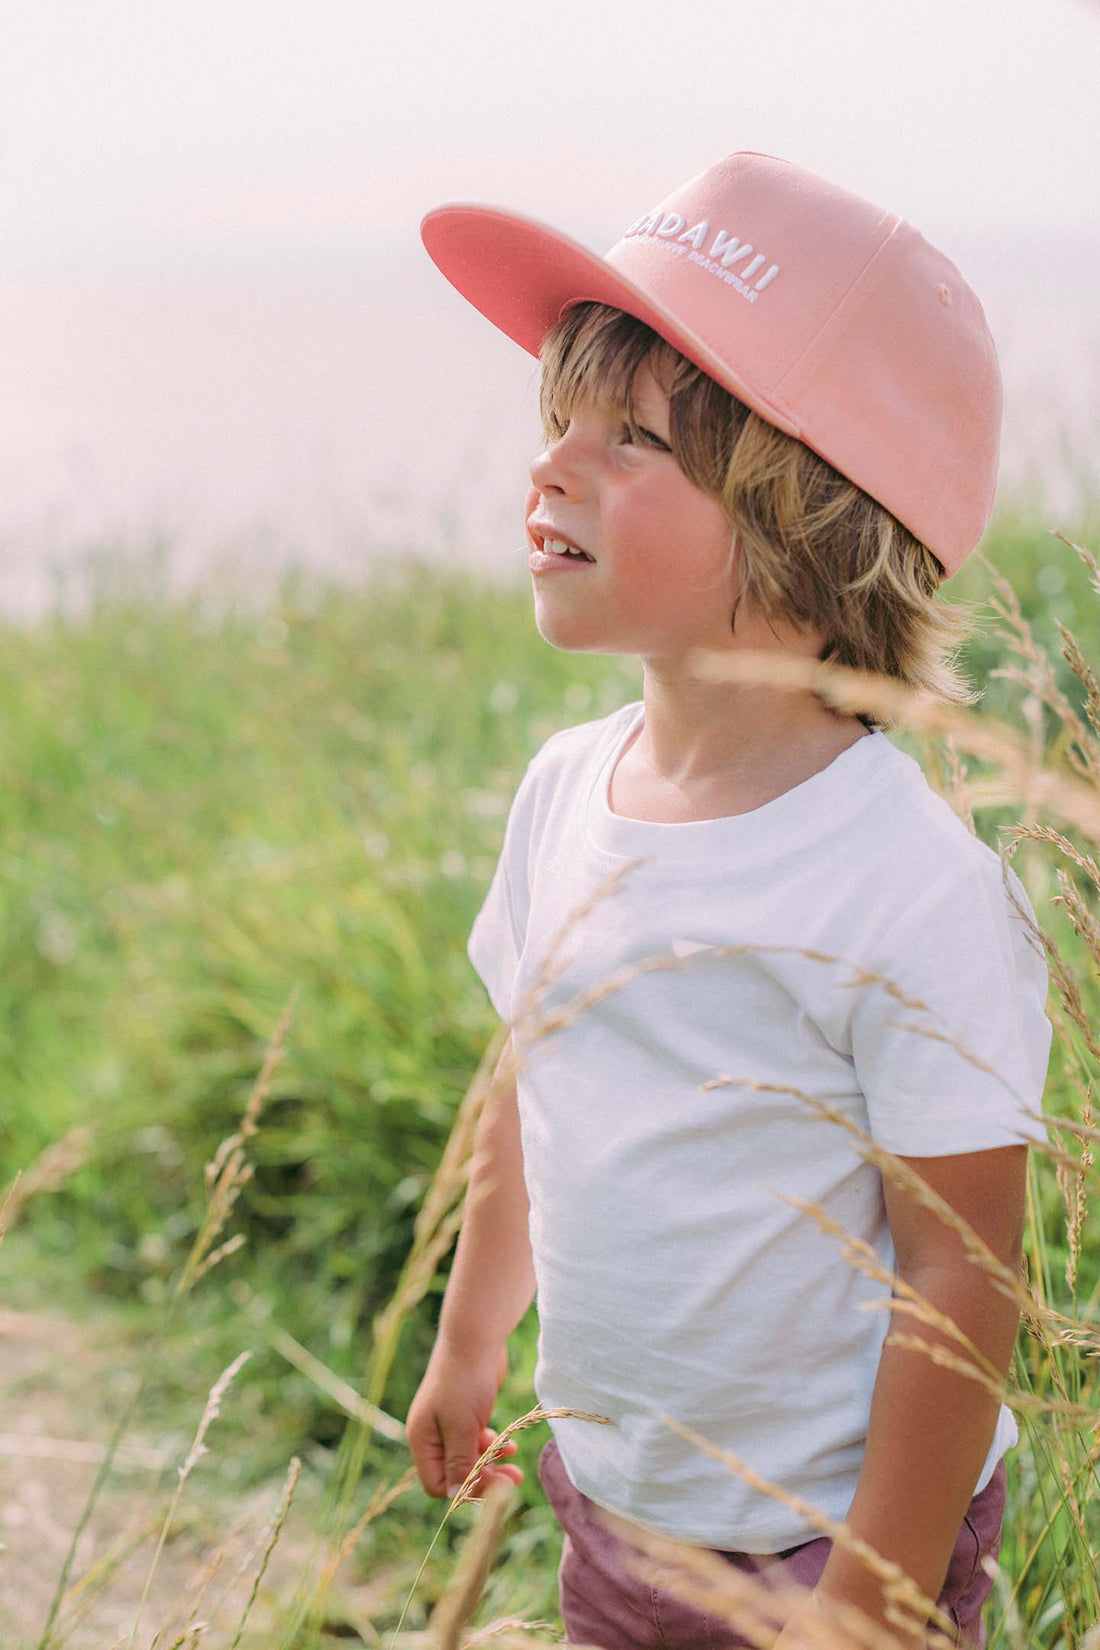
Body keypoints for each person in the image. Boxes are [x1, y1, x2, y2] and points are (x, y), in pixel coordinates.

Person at [405, 151, 1053, 1649]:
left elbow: (963, 1265)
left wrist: (875, 1596)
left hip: (829, 1544)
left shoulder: (908, 886)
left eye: (631, 438)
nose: (550, 466)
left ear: (807, 519)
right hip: (618, 1504)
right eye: (552, 420)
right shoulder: (565, 792)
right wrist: (469, 1338)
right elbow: (532, 1081)